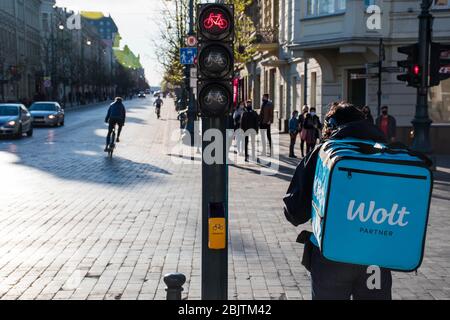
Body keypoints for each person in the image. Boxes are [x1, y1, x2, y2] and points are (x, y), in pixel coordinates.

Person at [283, 102, 392, 300]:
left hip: (331, 256)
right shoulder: (385, 152)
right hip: (375, 258)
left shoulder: (324, 154)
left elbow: (295, 212)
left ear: (331, 125)